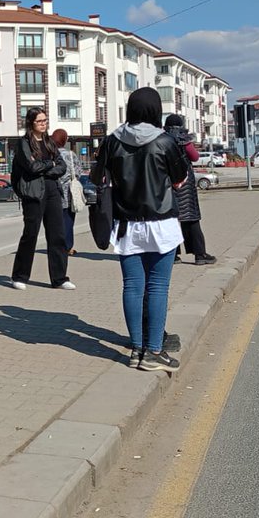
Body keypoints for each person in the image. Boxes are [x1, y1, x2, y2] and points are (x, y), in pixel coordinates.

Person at [92, 88, 186, 372]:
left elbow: (97, 177)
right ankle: (154, 351)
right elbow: (180, 179)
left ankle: (136, 349)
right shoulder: (165, 141)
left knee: (132, 287)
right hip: (161, 223)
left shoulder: (112, 141)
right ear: (156, 110)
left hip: (125, 225)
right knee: (158, 287)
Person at [10, 107, 73, 290]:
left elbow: (62, 167)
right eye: (40, 121)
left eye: (45, 120)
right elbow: (31, 167)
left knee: (57, 235)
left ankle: (60, 278)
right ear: (31, 123)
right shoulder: (23, 143)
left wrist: (46, 166)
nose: (43, 124)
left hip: (53, 190)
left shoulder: (49, 142)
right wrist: (49, 164)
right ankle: (20, 276)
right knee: (30, 234)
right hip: (34, 193)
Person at [163, 115, 216, 265]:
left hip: (168, 183)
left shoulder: (162, 139)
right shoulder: (184, 139)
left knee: (170, 220)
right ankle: (199, 254)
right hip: (185, 183)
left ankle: (173, 255)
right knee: (191, 220)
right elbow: (194, 156)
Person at [51, 128, 81, 255]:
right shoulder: (70, 154)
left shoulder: (50, 155)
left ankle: (55, 246)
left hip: (54, 192)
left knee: (54, 222)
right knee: (68, 221)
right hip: (69, 193)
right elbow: (78, 172)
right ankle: (68, 246)